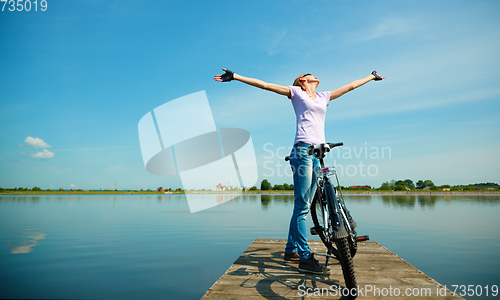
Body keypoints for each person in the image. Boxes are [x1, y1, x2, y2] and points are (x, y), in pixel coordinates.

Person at [214, 68, 384, 274]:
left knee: (302, 206)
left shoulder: (324, 96)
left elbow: (350, 86)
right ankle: (304, 257)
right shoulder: (296, 92)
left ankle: (290, 249)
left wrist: (371, 77)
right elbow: (265, 85)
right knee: (302, 207)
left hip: (317, 152)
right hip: (302, 151)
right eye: (311, 74)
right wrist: (236, 77)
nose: (317, 75)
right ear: (303, 80)